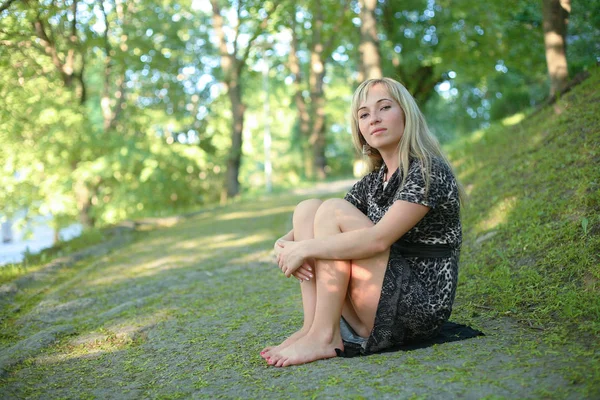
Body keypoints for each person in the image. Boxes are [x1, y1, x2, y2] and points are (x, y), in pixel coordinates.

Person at [261, 77, 463, 368]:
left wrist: (304, 249)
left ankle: (324, 335)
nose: (374, 119)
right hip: (376, 300)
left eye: (384, 108)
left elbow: (378, 239)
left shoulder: (428, 169)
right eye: (364, 114)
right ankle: (312, 329)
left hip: (417, 308)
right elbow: (312, 225)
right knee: (308, 209)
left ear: (406, 113)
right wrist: (285, 244)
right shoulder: (374, 181)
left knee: (331, 211)